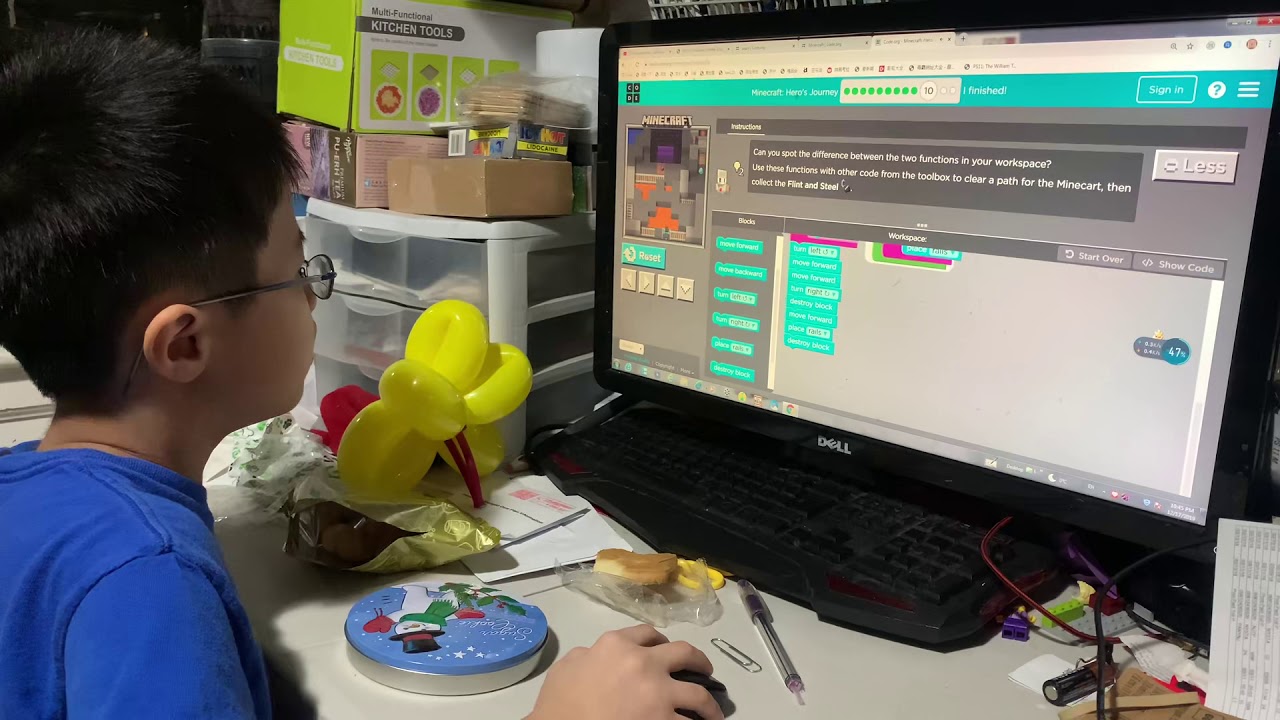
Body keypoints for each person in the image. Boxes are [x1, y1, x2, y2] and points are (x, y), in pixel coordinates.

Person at [0, 30, 721, 720]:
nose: (316, 293)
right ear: (186, 346)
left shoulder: (27, 491)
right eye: (298, 270)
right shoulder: (149, 581)